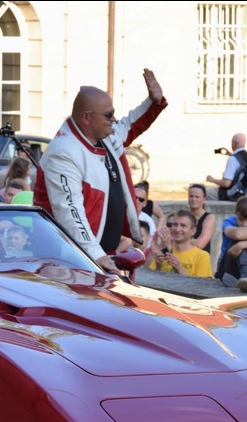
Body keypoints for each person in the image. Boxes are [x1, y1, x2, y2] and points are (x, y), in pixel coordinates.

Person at [34, 68, 167, 273]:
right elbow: (69, 212)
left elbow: (129, 126)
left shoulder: (101, 135)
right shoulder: (63, 153)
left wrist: (153, 102)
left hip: (95, 257)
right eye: (108, 115)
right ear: (86, 118)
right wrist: (95, 255)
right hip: (71, 261)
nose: (113, 119)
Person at [147, 210, 212, 278]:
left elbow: (201, 284)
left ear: (193, 231)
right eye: (175, 225)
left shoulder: (202, 256)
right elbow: (149, 279)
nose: (177, 229)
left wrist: (179, 269)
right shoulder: (163, 253)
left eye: (183, 226)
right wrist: (158, 266)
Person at [205, 133, 247, 201]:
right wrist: (230, 154)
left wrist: (212, 179)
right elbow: (241, 162)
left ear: (234, 143)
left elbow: (226, 183)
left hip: (232, 194)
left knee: (203, 192)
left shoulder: (233, 159)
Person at [187, 183, 216, 254]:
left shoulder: (209, 218)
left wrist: (181, 241)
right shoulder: (184, 217)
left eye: (197, 197)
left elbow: (200, 244)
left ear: (204, 200)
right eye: (191, 196)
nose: (193, 199)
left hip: (200, 258)